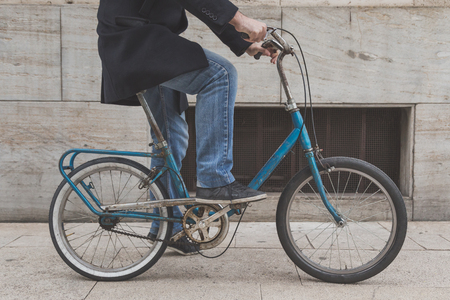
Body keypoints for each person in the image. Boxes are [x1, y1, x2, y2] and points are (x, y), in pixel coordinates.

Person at [96, 0, 278, 255]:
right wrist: (241, 21)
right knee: (221, 75)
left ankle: (165, 225)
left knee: (171, 139)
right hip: (135, 40)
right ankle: (214, 180)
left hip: (140, 41)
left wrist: (246, 42)